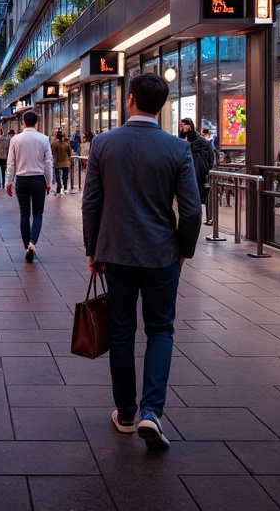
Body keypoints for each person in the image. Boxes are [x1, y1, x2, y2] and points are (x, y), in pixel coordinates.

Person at [82, 73, 201, 451]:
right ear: (161, 105)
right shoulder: (177, 149)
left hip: (115, 253)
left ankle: (127, 412)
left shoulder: (103, 143)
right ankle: (152, 412)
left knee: (120, 330)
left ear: (130, 99)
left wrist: (93, 249)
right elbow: (193, 209)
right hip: (162, 252)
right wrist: (185, 249)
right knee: (161, 330)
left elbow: (91, 203)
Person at [5, 109, 53, 261]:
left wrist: (8, 181)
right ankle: (33, 243)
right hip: (38, 179)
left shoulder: (15, 140)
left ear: (23, 122)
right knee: (38, 213)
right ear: (37, 122)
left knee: (24, 214)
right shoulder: (44, 139)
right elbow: (48, 163)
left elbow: (11, 163)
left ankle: (27, 247)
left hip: (22, 179)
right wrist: (49, 181)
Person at [179, 117, 215, 226]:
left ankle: (202, 217)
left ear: (191, 125)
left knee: (198, 195)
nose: (184, 127)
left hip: (197, 171)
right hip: (187, 171)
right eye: (182, 125)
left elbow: (209, 156)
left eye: (186, 124)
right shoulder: (180, 139)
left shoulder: (197, 139)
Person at [51, 129, 72, 195]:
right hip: (66, 162)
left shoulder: (54, 145)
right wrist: (68, 159)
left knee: (58, 175)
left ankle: (59, 187)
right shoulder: (66, 144)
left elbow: (54, 154)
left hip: (58, 162)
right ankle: (65, 187)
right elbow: (69, 153)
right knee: (65, 175)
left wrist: (55, 162)